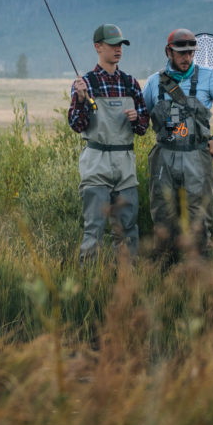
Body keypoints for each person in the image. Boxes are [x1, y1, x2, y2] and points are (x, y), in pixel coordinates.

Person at [142, 28, 213, 263]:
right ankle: (165, 276)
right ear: (169, 51)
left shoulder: (209, 77)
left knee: (199, 219)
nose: (187, 58)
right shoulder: (154, 82)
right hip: (163, 158)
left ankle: (200, 278)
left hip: (197, 157)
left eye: (191, 52)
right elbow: (141, 116)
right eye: (181, 53)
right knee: (163, 218)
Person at [68, 23, 150, 263]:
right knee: (93, 229)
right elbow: (76, 125)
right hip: (96, 163)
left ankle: (127, 284)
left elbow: (144, 127)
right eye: (113, 45)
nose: (118, 50)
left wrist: (137, 118)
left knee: (128, 230)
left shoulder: (130, 83)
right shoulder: (85, 84)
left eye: (121, 45)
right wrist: (82, 100)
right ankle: (88, 286)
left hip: (125, 163)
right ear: (98, 47)